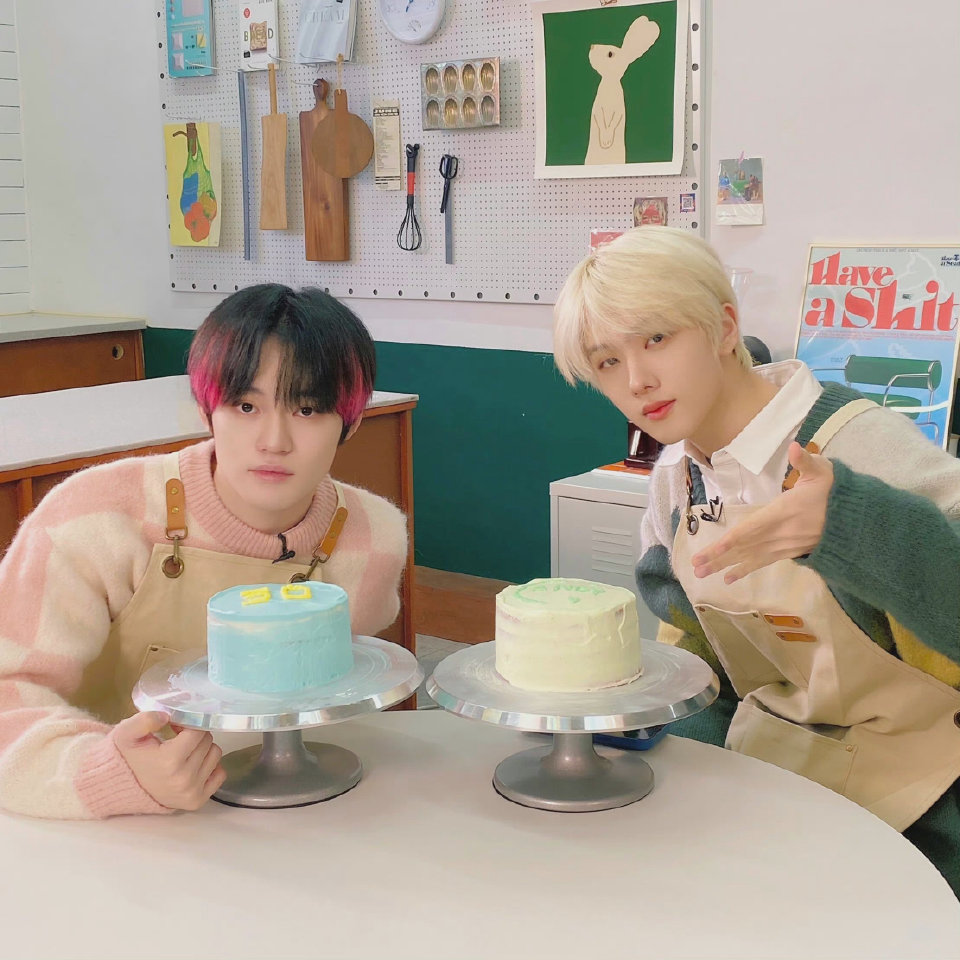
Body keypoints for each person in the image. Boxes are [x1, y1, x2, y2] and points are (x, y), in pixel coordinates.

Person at [553, 226, 960, 896]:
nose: (637, 381)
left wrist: (852, 522)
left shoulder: (859, 445)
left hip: (924, 811)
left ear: (723, 327)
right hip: (772, 782)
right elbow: (699, 660)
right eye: (605, 362)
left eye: (657, 338)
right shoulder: (674, 484)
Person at [0, 284, 407, 819]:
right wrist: (112, 774)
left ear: (350, 421)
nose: (274, 440)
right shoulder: (93, 517)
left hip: (288, 818)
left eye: (308, 409)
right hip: (99, 826)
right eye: (246, 405)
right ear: (206, 409)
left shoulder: (373, 536)